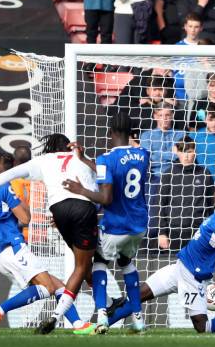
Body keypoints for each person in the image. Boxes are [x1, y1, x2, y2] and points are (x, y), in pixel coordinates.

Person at [0, 134, 99, 334]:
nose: (4, 169)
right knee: (48, 287)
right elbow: (25, 218)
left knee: (58, 285)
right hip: (15, 247)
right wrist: (22, 204)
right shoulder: (2, 186)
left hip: (1, 253)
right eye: (2, 165)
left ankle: (78, 324)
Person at [107, 177, 215, 335]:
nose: (213, 195)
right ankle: (101, 326)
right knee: (138, 295)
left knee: (202, 327)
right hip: (179, 267)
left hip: (193, 277)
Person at [62, 113, 150, 334]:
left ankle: (102, 315)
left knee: (99, 262)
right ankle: (138, 319)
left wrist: (80, 189)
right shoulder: (143, 154)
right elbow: (113, 170)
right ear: (132, 133)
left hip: (116, 225)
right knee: (126, 262)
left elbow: (106, 198)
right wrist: (84, 160)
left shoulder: (105, 159)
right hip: (139, 225)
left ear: (110, 132)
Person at [157, 137, 214, 250]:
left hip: (199, 231)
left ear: (195, 152)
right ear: (177, 151)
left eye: (189, 152)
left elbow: (211, 205)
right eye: (183, 152)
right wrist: (162, 233)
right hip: (175, 231)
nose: (186, 156)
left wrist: (210, 230)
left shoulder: (204, 173)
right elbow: (160, 204)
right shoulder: (169, 174)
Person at [140, 102, 186, 239]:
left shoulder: (181, 134)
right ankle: (152, 236)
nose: (164, 118)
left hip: (175, 176)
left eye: (167, 115)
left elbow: (180, 156)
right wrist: (171, 155)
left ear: (172, 116)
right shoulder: (146, 136)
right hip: (154, 176)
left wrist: (157, 153)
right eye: (161, 115)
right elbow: (148, 158)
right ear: (155, 116)